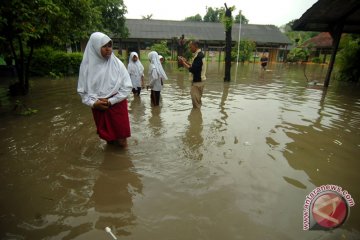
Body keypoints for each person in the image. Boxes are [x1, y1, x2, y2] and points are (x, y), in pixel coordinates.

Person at [77, 32, 133, 147]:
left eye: (110, 46)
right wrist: (93, 103)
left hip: (117, 104)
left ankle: (123, 163)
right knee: (108, 139)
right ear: (95, 47)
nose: (108, 49)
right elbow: (83, 92)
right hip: (99, 106)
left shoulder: (117, 64)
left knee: (122, 140)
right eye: (104, 46)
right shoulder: (86, 68)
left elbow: (127, 86)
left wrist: (111, 101)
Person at [178, 40, 206, 109]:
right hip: (199, 82)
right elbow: (195, 66)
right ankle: (197, 117)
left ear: (195, 46)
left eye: (191, 47)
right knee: (197, 102)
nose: (190, 49)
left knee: (196, 105)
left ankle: (196, 118)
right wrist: (186, 61)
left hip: (197, 83)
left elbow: (193, 70)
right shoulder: (199, 55)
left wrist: (183, 63)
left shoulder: (199, 56)